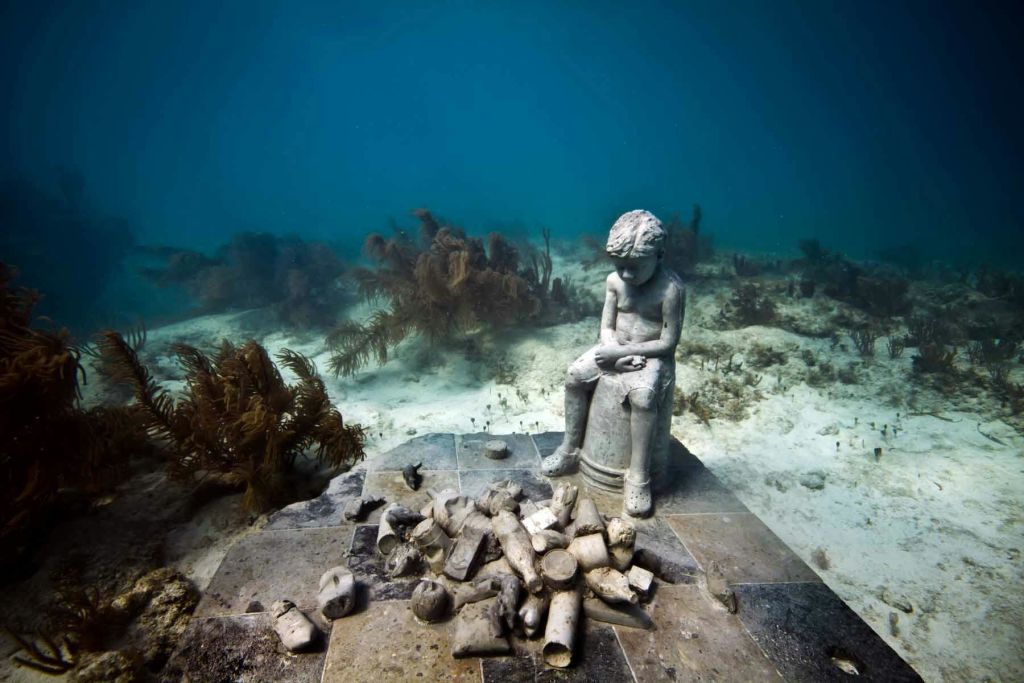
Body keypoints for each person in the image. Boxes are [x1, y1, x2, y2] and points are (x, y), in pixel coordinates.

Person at [541, 210, 684, 517]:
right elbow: (606, 326)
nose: (627, 275)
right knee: (574, 377)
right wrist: (612, 350)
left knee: (643, 399)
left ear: (658, 256)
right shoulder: (614, 282)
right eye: (620, 266)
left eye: (634, 268)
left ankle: (638, 476)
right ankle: (569, 450)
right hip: (615, 348)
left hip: (650, 356)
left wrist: (619, 357)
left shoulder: (670, 289)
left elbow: (668, 342)